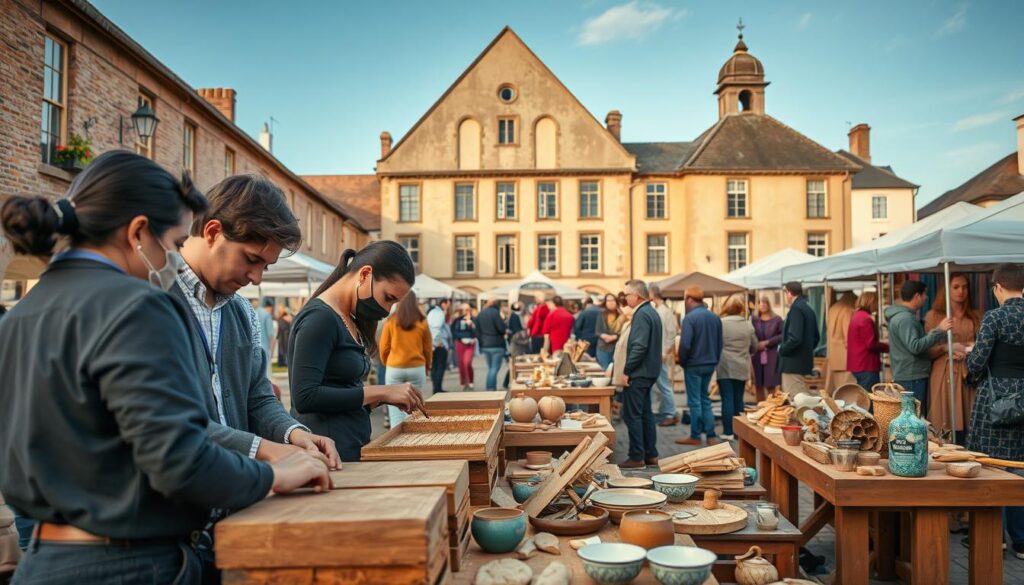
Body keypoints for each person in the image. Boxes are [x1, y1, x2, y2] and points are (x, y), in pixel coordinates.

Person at [0, 150, 328, 582]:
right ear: (138, 232)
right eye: (172, 244)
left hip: (48, 560)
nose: (173, 258)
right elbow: (179, 459)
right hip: (130, 564)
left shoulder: (20, 315)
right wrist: (272, 473)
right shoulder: (138, 304)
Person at [175, 174, 340, 467]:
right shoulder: (153, 300)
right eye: (251, 260)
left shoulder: (241, 311)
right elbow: (170, 422)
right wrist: (265, 450)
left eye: (266, 266)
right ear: (213, 232)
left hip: (237, 496)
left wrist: (294, 433)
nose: (256, 278)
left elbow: (258, 396)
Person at [289, 241, 424, 461]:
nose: (388, 309)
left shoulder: (347, 318)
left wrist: (381, 399)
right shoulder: (320, 318)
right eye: (388, 298)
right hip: (328, 454)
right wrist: (381, 392)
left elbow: (341, 390)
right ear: (365, 275)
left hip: (348, 449)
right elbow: (306, 397)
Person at [966, 264, 1024, 558]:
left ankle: (994, 537)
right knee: (1020, 468)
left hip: (996, 400)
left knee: (992, 465)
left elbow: (977, 362)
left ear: (998, 287)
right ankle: (1022, 540)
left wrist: (969, 362)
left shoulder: (995, 316)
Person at [884, 280, 953, 414]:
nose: (926, 298)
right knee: (915, 417)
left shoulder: (901, 316)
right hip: (912, 376)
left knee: (909, 415)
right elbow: (915, 346)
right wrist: (939, 330)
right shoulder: (906, 319)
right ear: (917, 296)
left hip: (907, 374)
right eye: (925, 294)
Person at [925, 274, 979, 435]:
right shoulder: (934, 315)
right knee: (944, 418)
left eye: (965, 287)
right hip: (944, 371)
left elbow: (984, 344)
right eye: (956, 287)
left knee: (969, 416)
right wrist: (946, 348)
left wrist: (967, 349)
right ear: (947, 290)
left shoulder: (976, 315)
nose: (961, 291)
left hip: (967, 370)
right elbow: (926, 350)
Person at [620, 280, 662, 468]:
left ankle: (637, 456)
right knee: (645, 414)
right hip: (649, 371)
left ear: (637, 296)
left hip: (639, 372)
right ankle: (650, 454)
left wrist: (627, 370)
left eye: (627, 294)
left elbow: (640, 346)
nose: (625, 298)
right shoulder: (651, 311)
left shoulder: (642, 314)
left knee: (632, 415)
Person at [676, 286, 724, 446]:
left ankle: (696, 435)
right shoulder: (714, 317)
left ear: (689, 299)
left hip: (694, 364)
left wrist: (682, 361)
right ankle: (710, 435)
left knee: (695, 401)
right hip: (710, 363)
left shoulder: (690, 318)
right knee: (705, 399)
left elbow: (685, 345)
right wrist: (714, 360)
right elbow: (719, 343)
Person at [381, 292, 433, 426]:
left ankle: (396, 443)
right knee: (415, 407)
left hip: (395, 367)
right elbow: (427, 348)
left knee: (394, 409)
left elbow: (384, 347)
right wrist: (427, 365)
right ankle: (412, 442)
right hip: (417, 367)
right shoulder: (422, 320)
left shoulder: (391, 320)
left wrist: (388, 362)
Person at [717, 296, 758, 440]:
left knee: (727, 399)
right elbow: (755, 346)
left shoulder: (721, 324)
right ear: (741, 309)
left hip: (725, 365)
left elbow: (717, 344)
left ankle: (728, 431)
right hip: (741, 365)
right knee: (738, 399)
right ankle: (739, 432)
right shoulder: (748, 325)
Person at [779, 282, 820, 398]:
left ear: (789, 293)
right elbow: (816, 338)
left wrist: (781, 349)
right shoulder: (809, 309)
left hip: (792, 364)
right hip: (803, 363)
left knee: (797, 401)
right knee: (802, 400)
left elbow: (795, 339)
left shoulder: (796, 309)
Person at [650, 284, 679, 426]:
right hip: (657, 354)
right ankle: (664, 411)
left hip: (660, 354)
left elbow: (672, 333)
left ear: (652, 294)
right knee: (659, 385)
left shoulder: (665, 311)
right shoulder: (659, 310)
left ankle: (671, 413)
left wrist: (665, 352)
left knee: (663, 385)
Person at [846, 291, 888, 390]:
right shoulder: (865, 318)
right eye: (876, 302)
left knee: (863, 395)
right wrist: (887, 346)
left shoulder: (857, 315)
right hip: (866, 364)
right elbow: (870, 344)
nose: (877, 306)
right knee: (868, 397)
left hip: (858, 363)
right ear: (871, 302)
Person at [751, 295, 783, 402]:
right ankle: (760, 408)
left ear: (769, 304)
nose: (762, 304)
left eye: (765, 302)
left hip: (772, 355)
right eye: (760, 302)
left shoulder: (777, 320)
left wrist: (768, 342)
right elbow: (750, 335)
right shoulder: (754, 320)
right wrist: (756, 344)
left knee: (771, 384)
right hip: (757, 355)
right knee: (758, 384)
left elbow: (783, 335)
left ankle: (772, 409)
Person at [825, 291, 858, 391]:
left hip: (833, 354)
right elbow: (848, 333)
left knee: (835, 389)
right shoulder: (847, 310)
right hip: (845, 356)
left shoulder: (832, 308)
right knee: (846, 391)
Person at [477, 298, 507, 390]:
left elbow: (477, 330)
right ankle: (491, 388)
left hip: (485, 344)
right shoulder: (495, 313)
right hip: (497, 344)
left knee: (491, 368)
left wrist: (481, 341)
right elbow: (501, 328)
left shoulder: (481, 313)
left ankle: (490, 387)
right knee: (494, 368)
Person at [427, 298, 452, 393]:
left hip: (433, 344)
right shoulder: (438, 313)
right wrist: (438, 342)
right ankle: (437, 389)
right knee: (439, 367)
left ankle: (437, 388)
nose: (448, 307)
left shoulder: (434, 312)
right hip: (438, 345)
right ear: (444, 304)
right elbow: (436, 328)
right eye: (448, 304)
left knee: (435, 367)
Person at [451, 303, 478, 390]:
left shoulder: (474, 320)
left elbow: (477, 333)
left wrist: (472, 326)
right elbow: (454, 331)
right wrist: (460, 338)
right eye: (465, 309)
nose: (467, 311)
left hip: (470, 343)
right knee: (461, 364)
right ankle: (463, 382)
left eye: (468, 309)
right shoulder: (457, 320)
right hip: (460, 343)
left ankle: (470, 381)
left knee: (467, 363)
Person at [503, 302, 529, 389]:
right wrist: (525, 337)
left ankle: (508, 382)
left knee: (515, 363)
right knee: (514, 363)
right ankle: (507, 382)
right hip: (517, 344)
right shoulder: (515, 316)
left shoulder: (515, 315)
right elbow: (517, 331)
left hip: (517, 343)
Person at [595, 293, 622, 370]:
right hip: (603, 347)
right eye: (608, 300)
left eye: (613, 300)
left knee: (615, 371)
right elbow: (597, 331)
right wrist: (604, 336)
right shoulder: (601, 314)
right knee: (605, 370)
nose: (610, 302)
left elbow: (625, 331)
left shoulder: (621, 314)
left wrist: (615, 337)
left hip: (617, 347)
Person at [259, 298, 276, 376]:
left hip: (253, 350)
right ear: (270, 307)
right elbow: (271, 337)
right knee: (266, 376)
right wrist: (272, 353)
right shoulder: (267, 315)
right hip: (264, 350)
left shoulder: (254, 312)